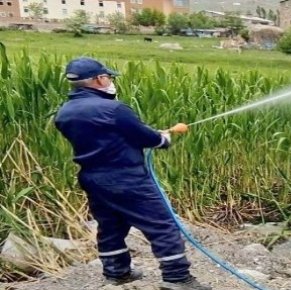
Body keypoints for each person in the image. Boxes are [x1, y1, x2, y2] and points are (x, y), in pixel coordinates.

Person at [54, 57, 211, 290]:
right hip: (126, 178)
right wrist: (161, 139)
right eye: (108, 77)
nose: (110, 81)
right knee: (162, 225)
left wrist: (144, 135)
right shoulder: (115, 109)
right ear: (98, 79)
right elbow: (144, 137)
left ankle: (117, 273)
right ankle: (177, 278)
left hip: (92, 178)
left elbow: (112, 135)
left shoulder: (64, 113)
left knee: (110, 226)